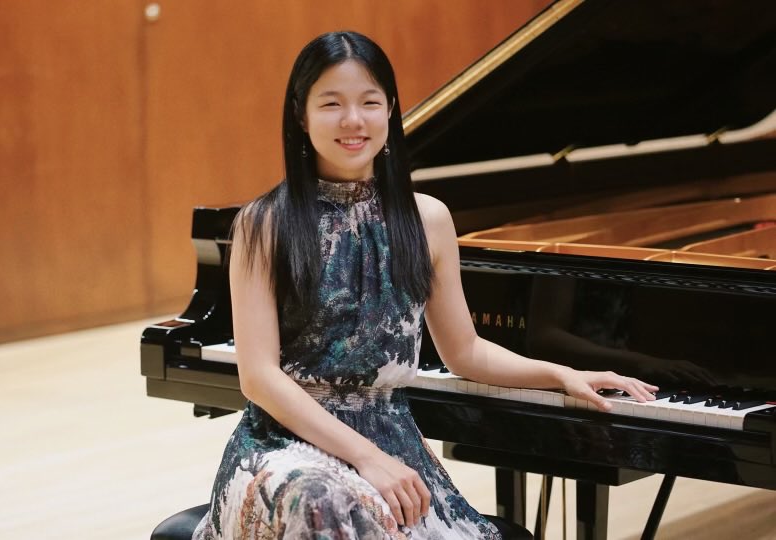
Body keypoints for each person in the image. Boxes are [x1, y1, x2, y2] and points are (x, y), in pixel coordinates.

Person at [192, 30, 658, 540]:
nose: (353, 120)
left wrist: (561, 373)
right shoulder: (263, 223)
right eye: (331, 104)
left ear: (391, 110)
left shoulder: (428, 219)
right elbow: (259, 377)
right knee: (323, 503)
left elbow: (466, 351)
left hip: (390, 440)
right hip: (282, 448)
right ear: (301, 116)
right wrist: (367, 458)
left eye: (370, 102)